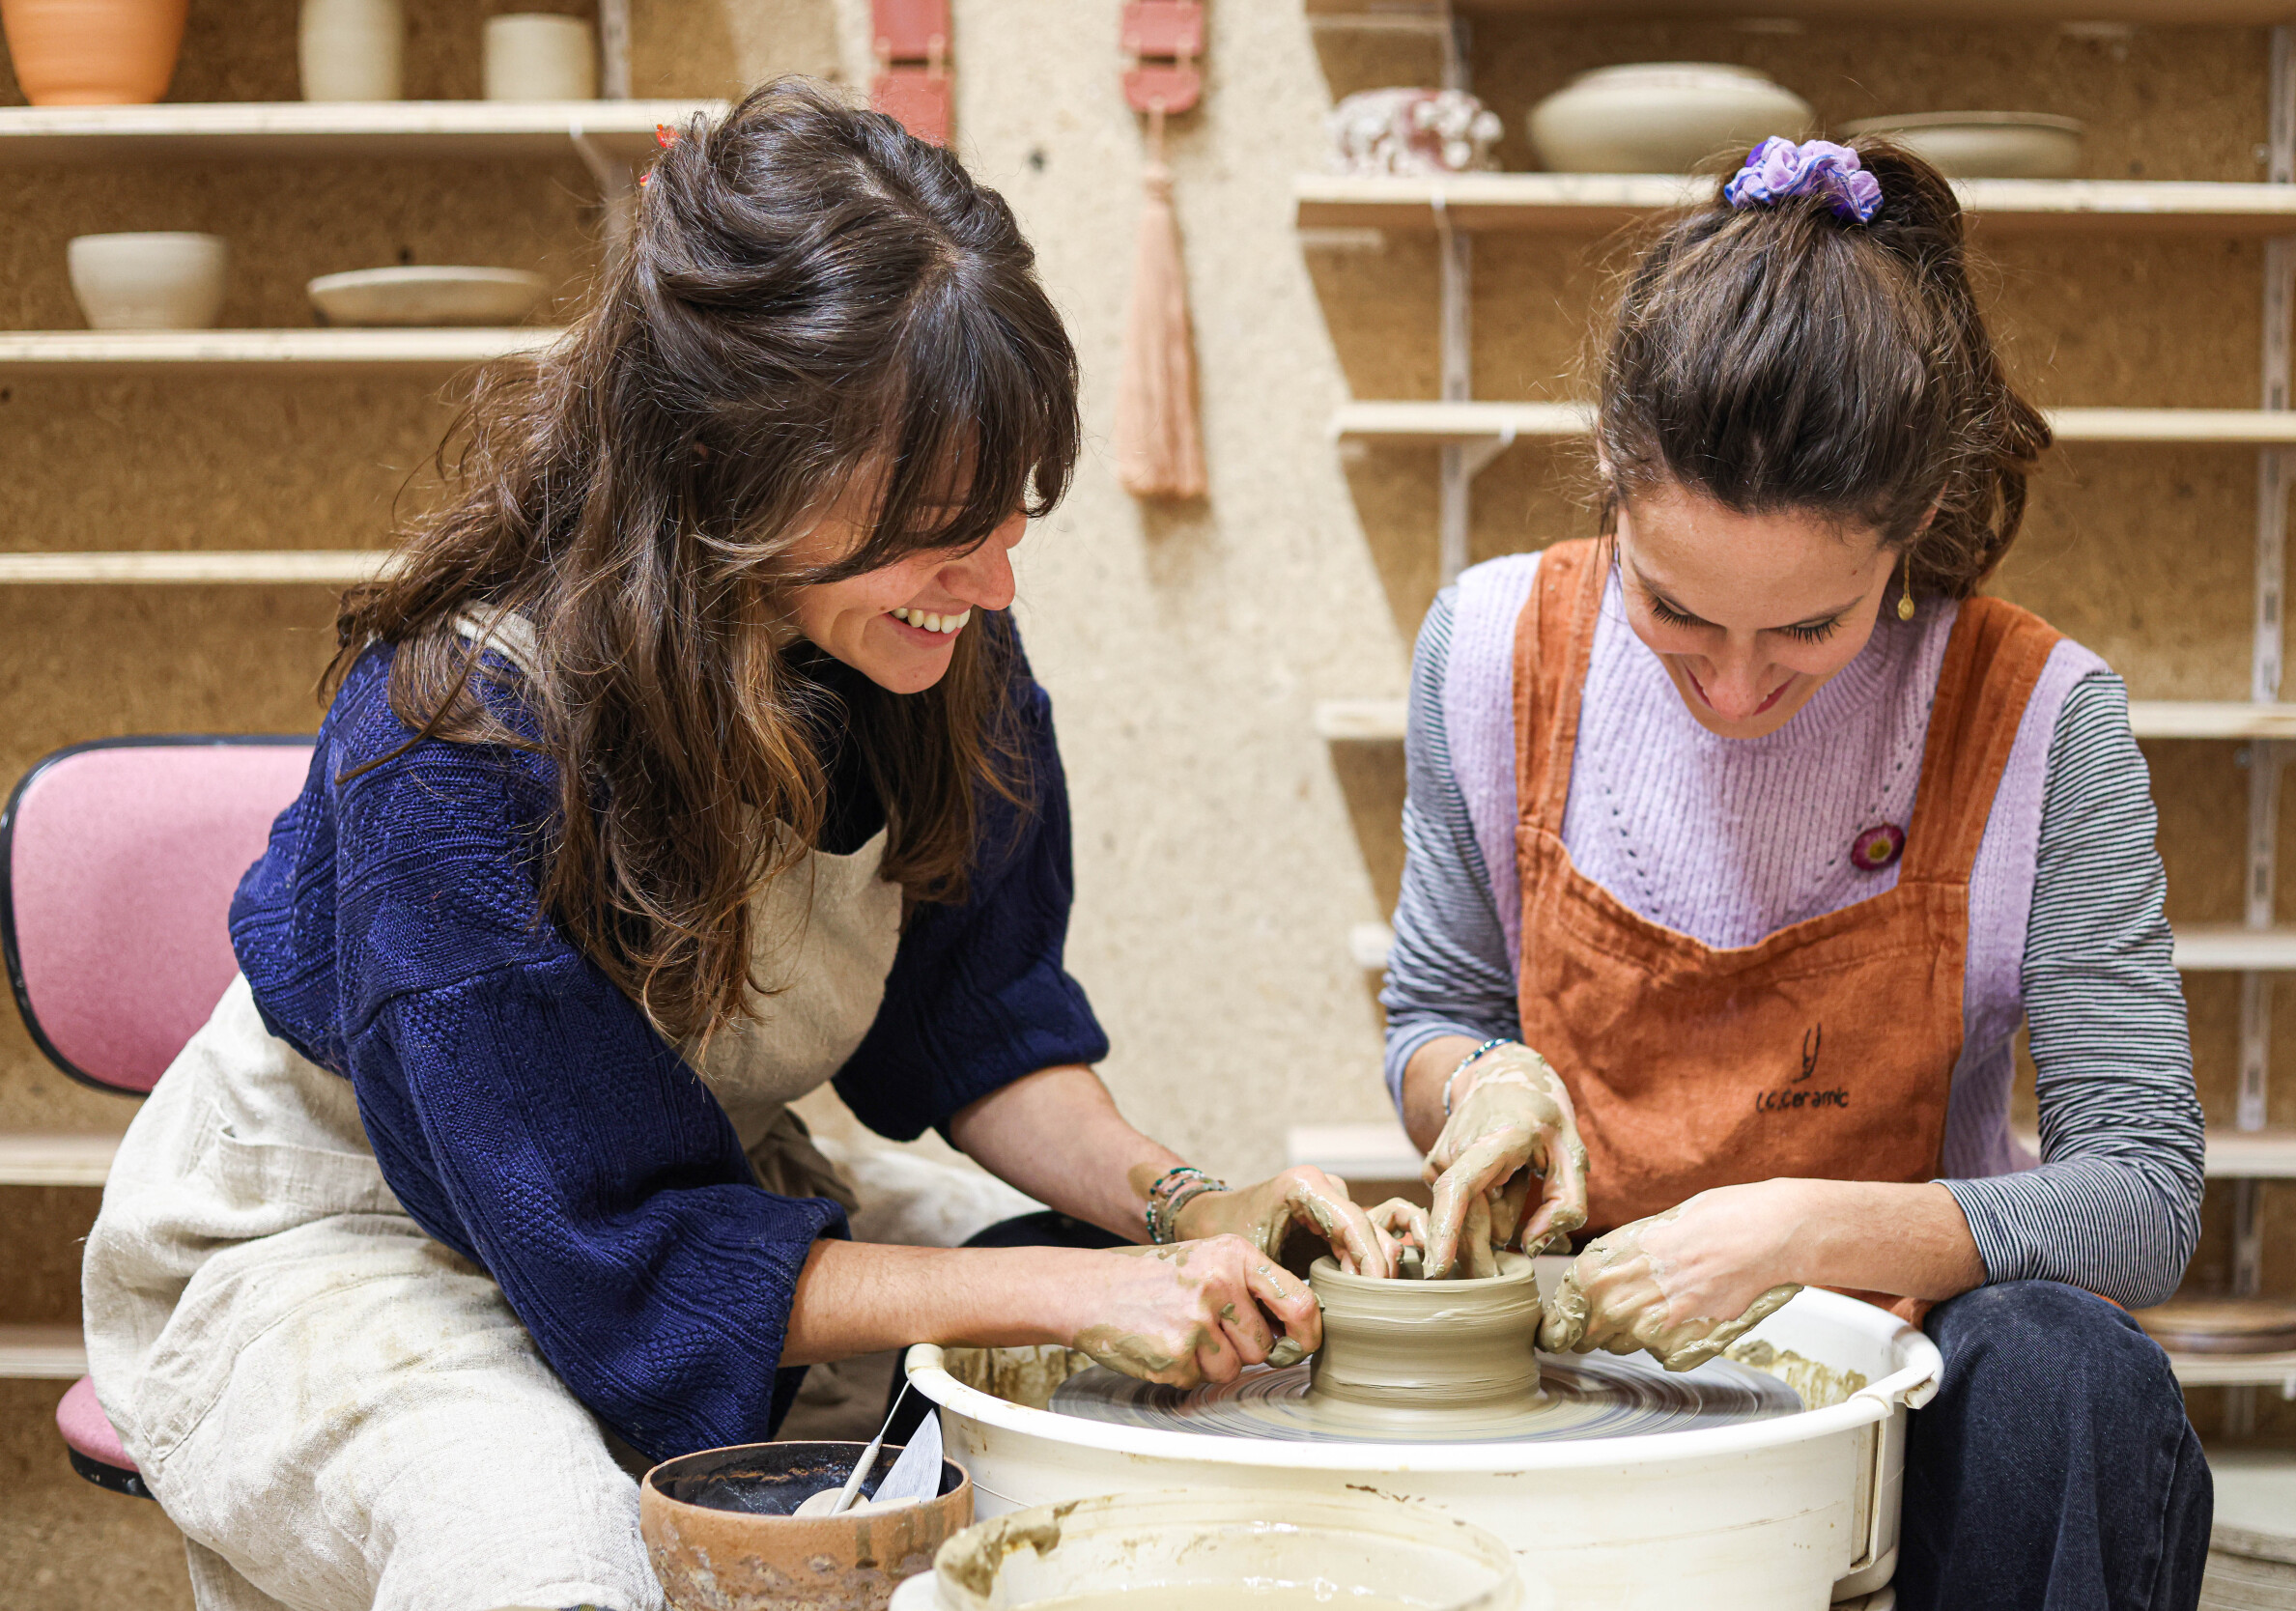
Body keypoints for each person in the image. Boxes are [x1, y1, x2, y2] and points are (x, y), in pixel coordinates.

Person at [82, 81, 1398, 1611]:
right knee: (551, 1559)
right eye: (939, 521)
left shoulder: (929, 647)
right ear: (727, 464)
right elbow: (616, 1254)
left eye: (1013, 509)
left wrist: (1186, 1209)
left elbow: (974, 1031)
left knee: (1112, 1408)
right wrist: (1082, 1284)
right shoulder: (455, 737)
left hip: (680, 1183)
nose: (993, 576)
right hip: (343, 1227)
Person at [1381, 138, 2212, 1611]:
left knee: (2062, 1373)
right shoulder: (1491, 651)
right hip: (1594, 1345)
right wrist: (1482, 1083)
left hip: (1908, 1372)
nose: (1738, 687)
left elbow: (2140, 1197)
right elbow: (1436, 1010)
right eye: (1676, 611)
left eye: (1813, 630)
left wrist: (1807, 1229)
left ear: (1909, 537)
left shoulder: (2041, 719)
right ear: (1608, 480)